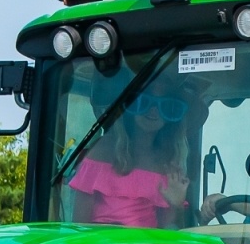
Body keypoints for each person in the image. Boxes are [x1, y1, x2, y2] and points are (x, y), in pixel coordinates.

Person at [69, 85, 193, 229]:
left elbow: (170, 236)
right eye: (143, 101)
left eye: (166, 106)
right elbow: (79, 227)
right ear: (128, 106)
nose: (153, 110)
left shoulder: (168, 164)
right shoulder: (101, 150)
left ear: (172, 116)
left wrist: (176, 206)